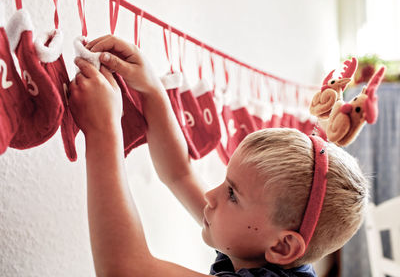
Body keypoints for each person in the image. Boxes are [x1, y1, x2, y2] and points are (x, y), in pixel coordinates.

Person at [69, 35, 368, 277]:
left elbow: (123, 269)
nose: (210, 195)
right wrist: (152, 90)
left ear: (283, 245)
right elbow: (179, 174)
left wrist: (103, 131)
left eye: (233, 194)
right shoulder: (259, 245)